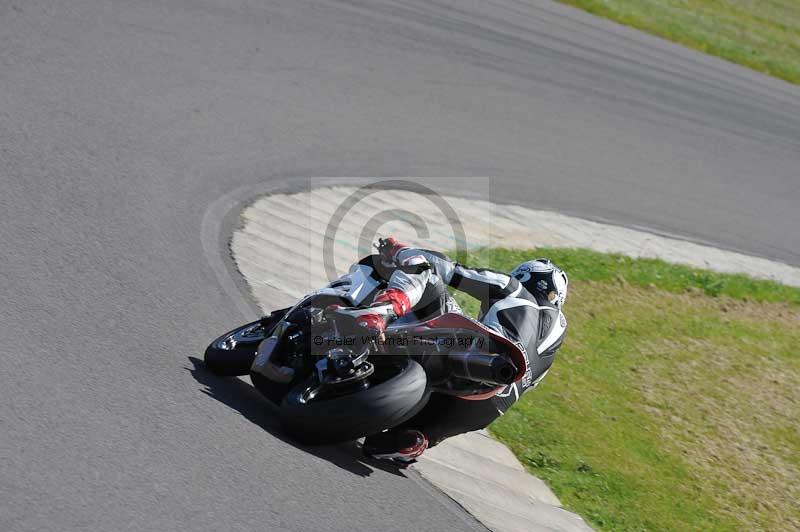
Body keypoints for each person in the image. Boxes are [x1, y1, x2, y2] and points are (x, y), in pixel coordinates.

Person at [333, 238, 568, 464]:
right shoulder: (555, 342)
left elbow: (449, 269)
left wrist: (399, 250)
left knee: (423, 270)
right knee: (386, 441)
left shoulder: (513, 288)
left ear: (525, 276)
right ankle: (416, 438)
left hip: (474, 352)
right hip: (485, 407)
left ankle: (379, 314)